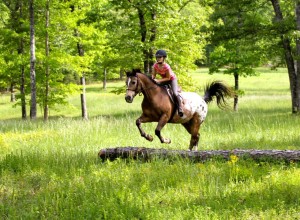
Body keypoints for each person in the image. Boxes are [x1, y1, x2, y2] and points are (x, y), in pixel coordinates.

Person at [151, 49, 183, 117]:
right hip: (163, 80)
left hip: (171, 79)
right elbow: (153, 75)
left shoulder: (166, 67)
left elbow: (168, 78)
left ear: (164, 58)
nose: (158, 59)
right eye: (157, 57)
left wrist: (158, 81)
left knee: (174, 93)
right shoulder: (155, 66)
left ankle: (180, 108)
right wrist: (152, 79)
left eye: (160, 57)